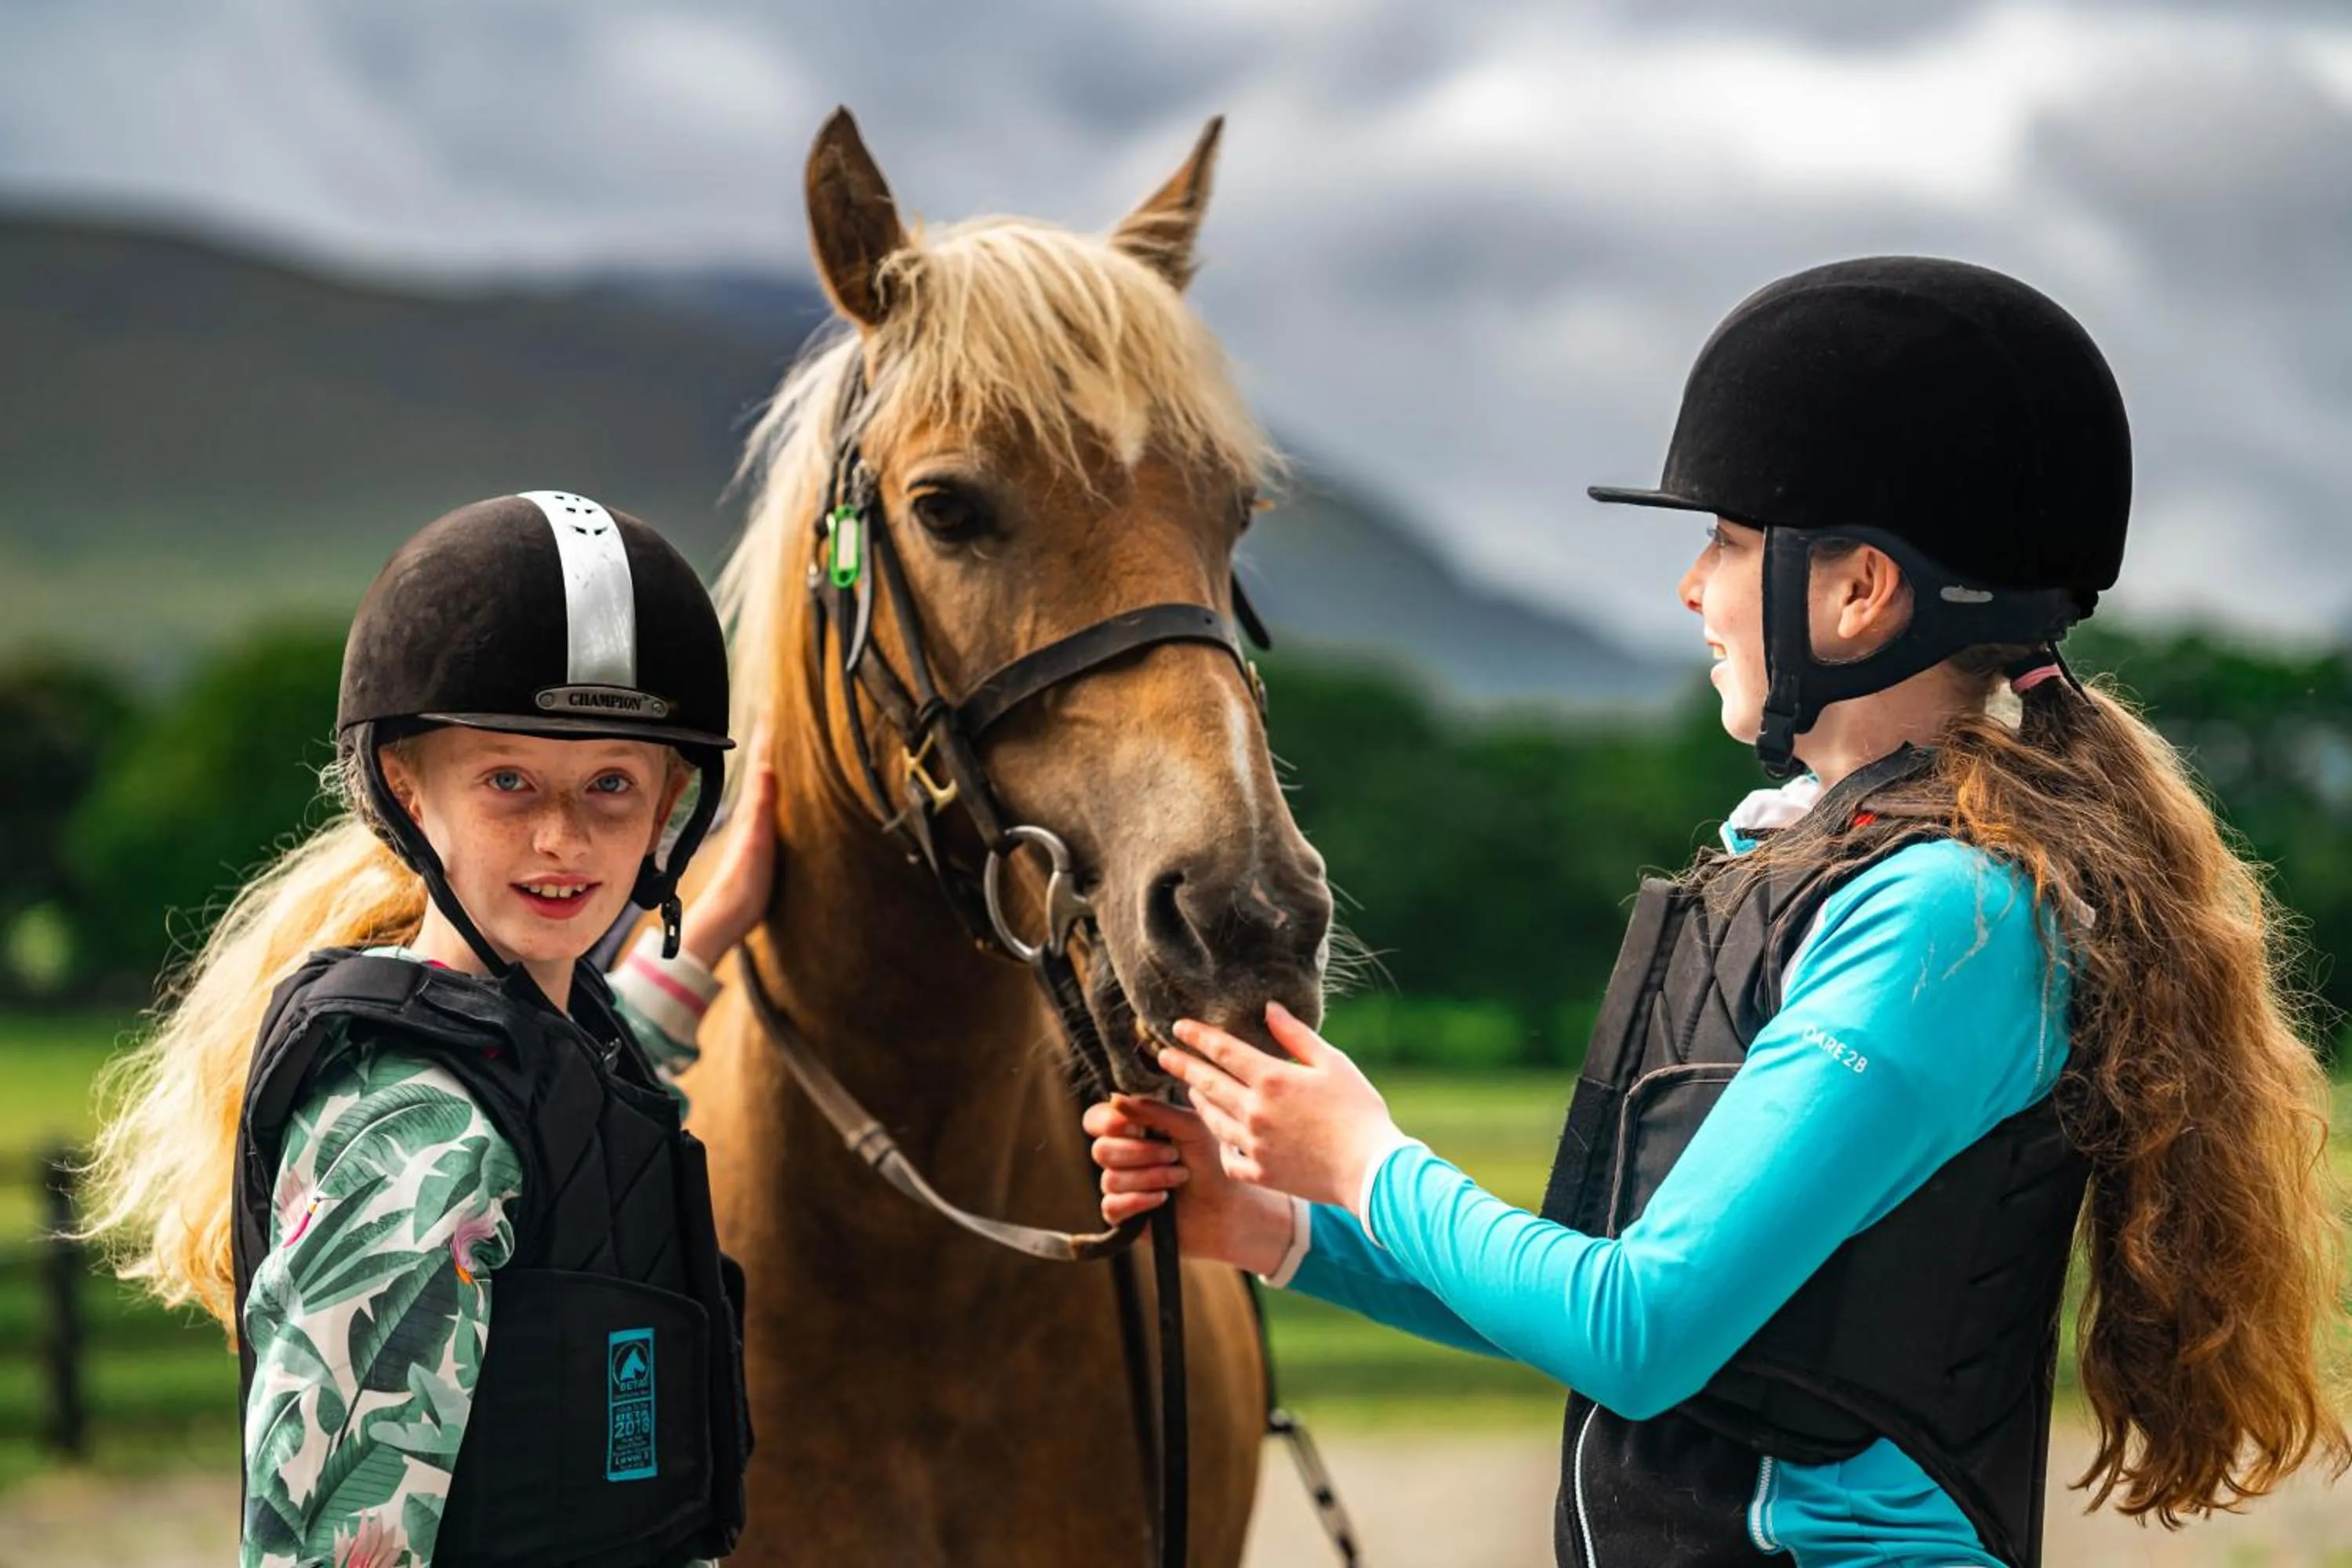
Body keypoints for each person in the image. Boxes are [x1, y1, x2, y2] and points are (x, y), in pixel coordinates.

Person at [1087, 258, 2348, 1566]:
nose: (1693, 587)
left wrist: (1362, 1157)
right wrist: (1280, 1230)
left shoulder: (1947, 920)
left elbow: (1640, 1333)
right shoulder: (1814, 865)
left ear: (1859, 591)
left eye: (1729, 543)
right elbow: (1581, 1290)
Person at [84, 492, 773, 1567]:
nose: (563, 837)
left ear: (668, 803)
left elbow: (578, 1124)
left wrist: (714, 929)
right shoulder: (415, 1144)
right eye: (509, 779)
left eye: (611, 785)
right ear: (407, 784)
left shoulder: (542, 1038)